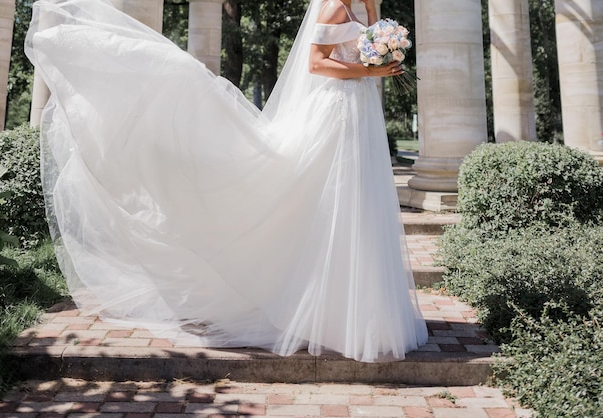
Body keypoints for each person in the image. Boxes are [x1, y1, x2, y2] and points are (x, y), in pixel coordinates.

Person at [25, 0, 428, 363]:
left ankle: (356, 310)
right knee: (332, 202)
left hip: (359, 110)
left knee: (359, 205)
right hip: (336, 110)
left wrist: (375, 22)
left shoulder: (359, 10)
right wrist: (369, 68)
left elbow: (365, 45)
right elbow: (316, 63)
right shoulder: (333, 9)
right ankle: (318, 311)